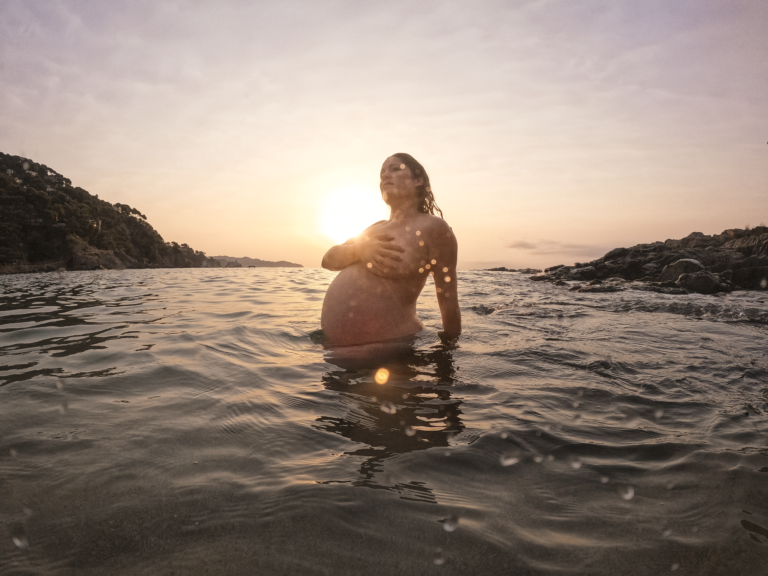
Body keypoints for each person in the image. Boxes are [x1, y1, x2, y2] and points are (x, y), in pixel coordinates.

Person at [320, 153, 461, 347]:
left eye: (395, 169)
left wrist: (449, 355)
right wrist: (360, 250)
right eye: (382, 173)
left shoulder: (434, 228)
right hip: (332, 357)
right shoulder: (374, 228)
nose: (385, 176)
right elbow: (327, 260)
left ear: (418, 180)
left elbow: (448, 300)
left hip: (392, 354)